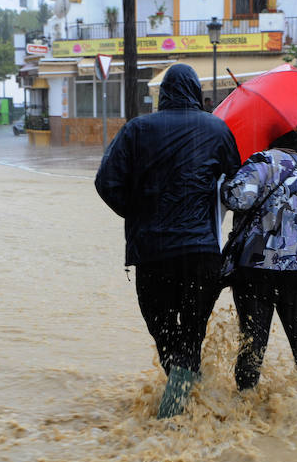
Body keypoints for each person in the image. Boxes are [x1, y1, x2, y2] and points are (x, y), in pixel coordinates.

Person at [94, 63, 240, 418]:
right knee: (190, 336)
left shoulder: (136, 130)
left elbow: (105, 182)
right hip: (202, 255)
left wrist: (138, 214)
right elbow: (238, 188)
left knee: (164, 334)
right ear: (195, 92)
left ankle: (174, 411)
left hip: (151, 254)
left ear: (164, 94)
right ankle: (186, 408)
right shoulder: (218, 130)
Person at [219, 125, 297, 392]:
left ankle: (246, 408)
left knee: (252, 346)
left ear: (269, 139)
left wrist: (232, 177)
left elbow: (234, 199)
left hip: (255, 270)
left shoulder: (259, 163)